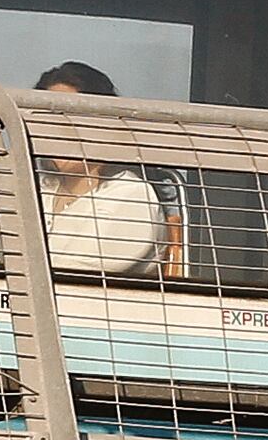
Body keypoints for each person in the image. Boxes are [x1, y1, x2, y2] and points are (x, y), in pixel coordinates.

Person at [26, 60, 181, 281]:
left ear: (104, 126)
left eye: (71, 120)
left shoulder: (132, 196)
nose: (58, 132)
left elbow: (67, 273)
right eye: (49, 120)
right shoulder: (37, 188)